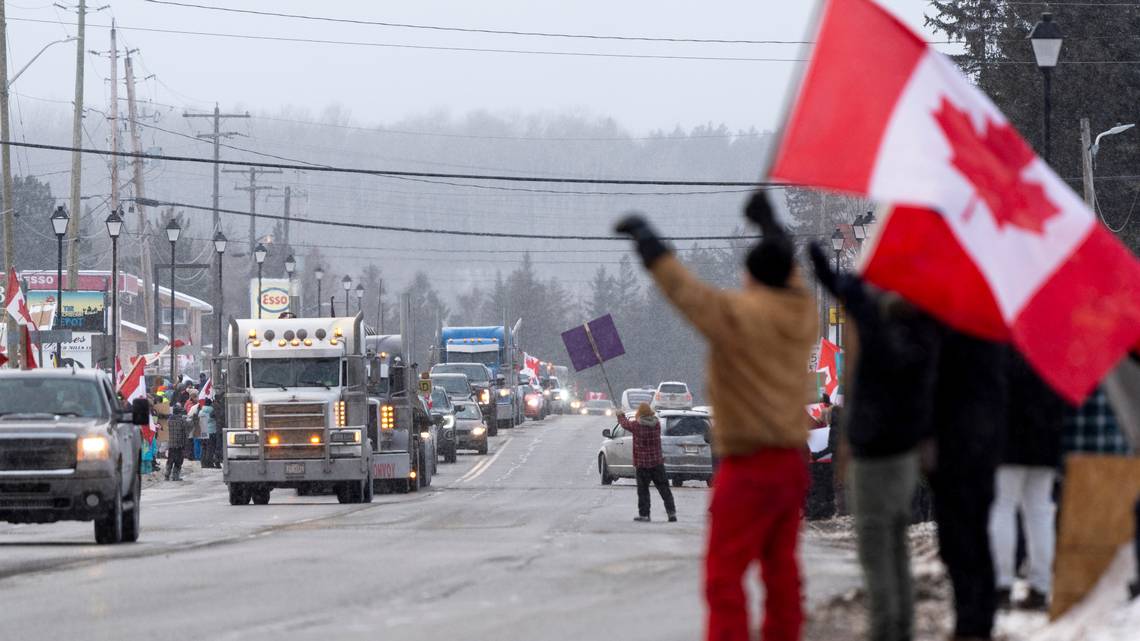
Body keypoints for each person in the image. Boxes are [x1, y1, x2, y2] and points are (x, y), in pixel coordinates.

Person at [615, 192, 817, 641]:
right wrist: (771, 228)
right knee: (781, 571)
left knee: (724, 576)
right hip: (789, 464)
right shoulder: (802, 312)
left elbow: (685, 292)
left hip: (746, 466)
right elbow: (792, 278)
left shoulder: (736, 315)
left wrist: (650, 244)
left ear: (750, 278)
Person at [809, 245, 941, 641]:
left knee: (874, 546)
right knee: (896, 545)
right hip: (905, 456)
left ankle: (886, 626)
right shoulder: (925, 338)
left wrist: (820, 260)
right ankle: (901, 622)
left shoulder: (878, 336)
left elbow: (849, 293)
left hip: (873, 456)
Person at [929, 328, 1009, 641]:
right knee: (975, 536)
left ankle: (970, 619)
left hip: (957, 449)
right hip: (984, 448)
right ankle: (980, 618)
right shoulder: (996, 336)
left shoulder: (948, 337)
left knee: (959, 541)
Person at [988, 355, 1066, 612]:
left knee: (1003, 507)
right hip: (1046, 441)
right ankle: (1041, 587)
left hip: (1007, 441)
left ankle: (1002, 583)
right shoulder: (1054, 353)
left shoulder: (1005, 351)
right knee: (1040, 512)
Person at [616, 403, 676, 522]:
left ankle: (644, 514)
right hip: (657, 463)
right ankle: (671, 513)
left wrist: (620, 415)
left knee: (643, 491)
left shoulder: (637, 425)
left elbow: (625, 424)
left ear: (639, 413)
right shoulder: (657, 424)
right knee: (664, 489)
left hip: (642, 464)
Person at [165, 401, 188, 481]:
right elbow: (186, 432)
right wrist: (185, 444)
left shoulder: (168, 421)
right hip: (179, 444)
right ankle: (175, 476)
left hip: (171, 444)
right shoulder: (182, 421)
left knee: (170, 460)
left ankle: (167, 475)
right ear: (179, 413)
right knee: (178, 461)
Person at [199, 399, 218, 468]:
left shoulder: (201, 411)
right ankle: (209, 463)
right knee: (210, 448)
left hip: (203, 431)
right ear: (210, 404)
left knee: (204, 448)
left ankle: (203, 463)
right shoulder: (212, 411)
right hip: (211, 431)